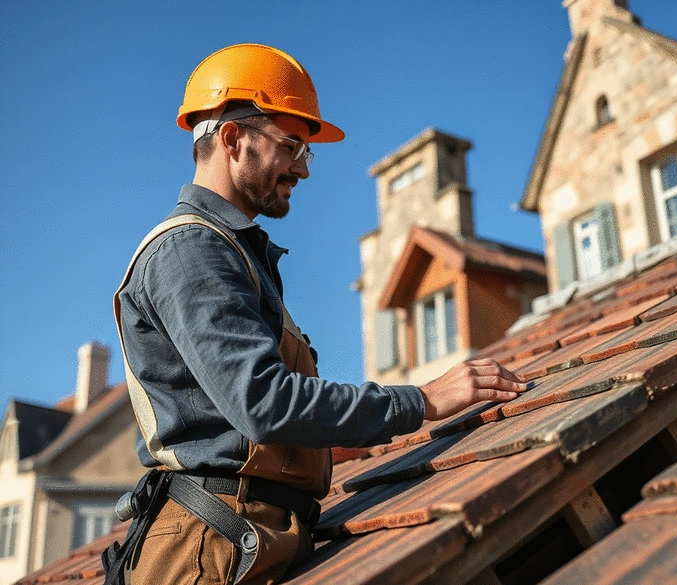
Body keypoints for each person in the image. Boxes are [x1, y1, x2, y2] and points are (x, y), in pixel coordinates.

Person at [107, 43, 530, 585]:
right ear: (233, 139)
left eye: (306, 152)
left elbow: (244, 429)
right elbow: (263, 402)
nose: (302, 169)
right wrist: (422, 401)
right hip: (209, 549)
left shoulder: (229, 252)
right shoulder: (192, 250)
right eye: (292, 146)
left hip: (241, 535)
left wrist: (336, 444)